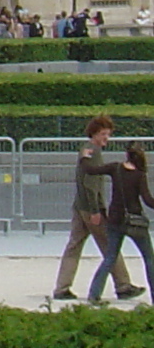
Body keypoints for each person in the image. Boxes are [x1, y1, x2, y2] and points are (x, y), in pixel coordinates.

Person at [55, 115, 136, 301]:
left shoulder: (86, 149)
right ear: (94, 133)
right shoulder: (94, 152)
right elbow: (90, 184)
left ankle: (62, 287)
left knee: (74, 246)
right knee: (110, 245)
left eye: (108, 134)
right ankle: (123, 285)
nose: (106, 137)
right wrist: (95, 210)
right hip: (90, 209)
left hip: (79, 206)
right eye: (103, 134)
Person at [89, 142, 150, 304]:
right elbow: (147, 200)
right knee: (149, 259)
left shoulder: (115, 168)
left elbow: (92, 170)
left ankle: (94, 295)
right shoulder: (139, 174)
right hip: (134, 222)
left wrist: (84, 158)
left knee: (109, 258)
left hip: (115, 220)